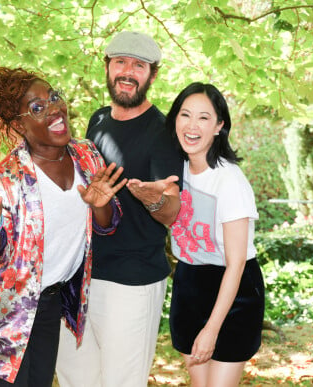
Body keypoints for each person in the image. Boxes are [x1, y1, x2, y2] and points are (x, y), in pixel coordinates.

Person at [0, 67, 126, 387]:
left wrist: (101, 205)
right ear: (20, 125)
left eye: (54, 97)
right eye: (38, 108)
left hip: (46, 303)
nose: (55, 108)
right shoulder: (5, 180)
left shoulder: (87, 156)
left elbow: (108, 224)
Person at [56, 31, 183, 387]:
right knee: (76, 380)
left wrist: (153, 198)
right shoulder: (97, 120)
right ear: (107, 67)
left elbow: (171, 211)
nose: (128, 71)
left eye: (139, 65)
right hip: (80, 276)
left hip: (131, 282)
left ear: (152, 75)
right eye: (120, 62)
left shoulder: (164, 133)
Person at [166, 82, 265, 386]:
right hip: (189, 286)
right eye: (185, 115)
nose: (192, 125)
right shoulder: (174, 167)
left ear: (219, 126)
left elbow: (236, 264)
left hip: (232, 292)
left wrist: (211, 329)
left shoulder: (229, 181)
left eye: (204, 118)